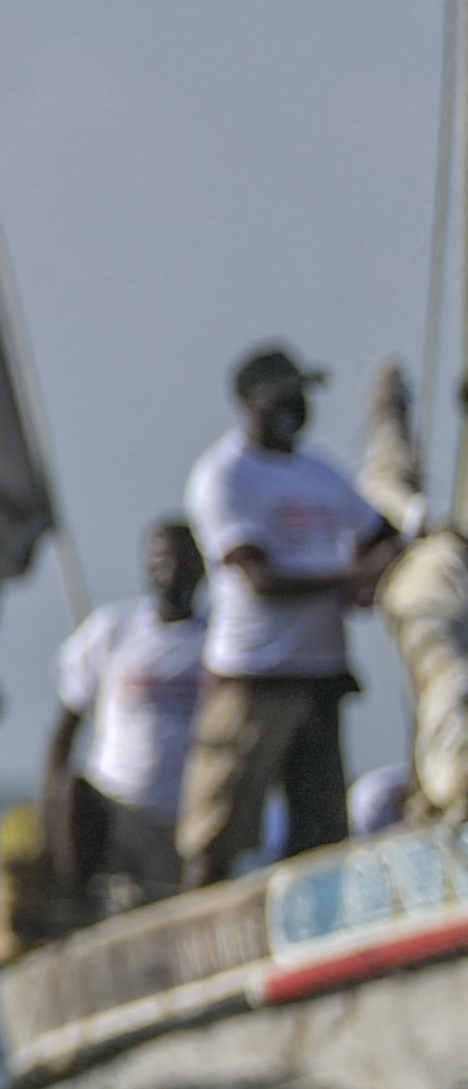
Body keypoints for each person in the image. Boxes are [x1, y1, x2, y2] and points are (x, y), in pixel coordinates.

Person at [180, 341, 393, 883]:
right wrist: (350, 578)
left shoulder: (321, 472)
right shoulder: (227, 475)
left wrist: (376, 567)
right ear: (250, 400)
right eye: (284, 394)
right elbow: (259, 579)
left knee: (320, 831)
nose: (296, 406)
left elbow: (381, 535)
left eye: (302, 395)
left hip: (319, 677)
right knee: (219, 826)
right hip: (254, 676)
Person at [40, 519, 204, 904]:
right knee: (74, 791)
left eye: (184, 561)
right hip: (117, 810)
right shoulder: (114, 630)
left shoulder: (218, 641)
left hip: (183, 819)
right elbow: (65, 727)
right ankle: (75, 902)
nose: (172, 572)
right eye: (161, 561)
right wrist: (48, 809)